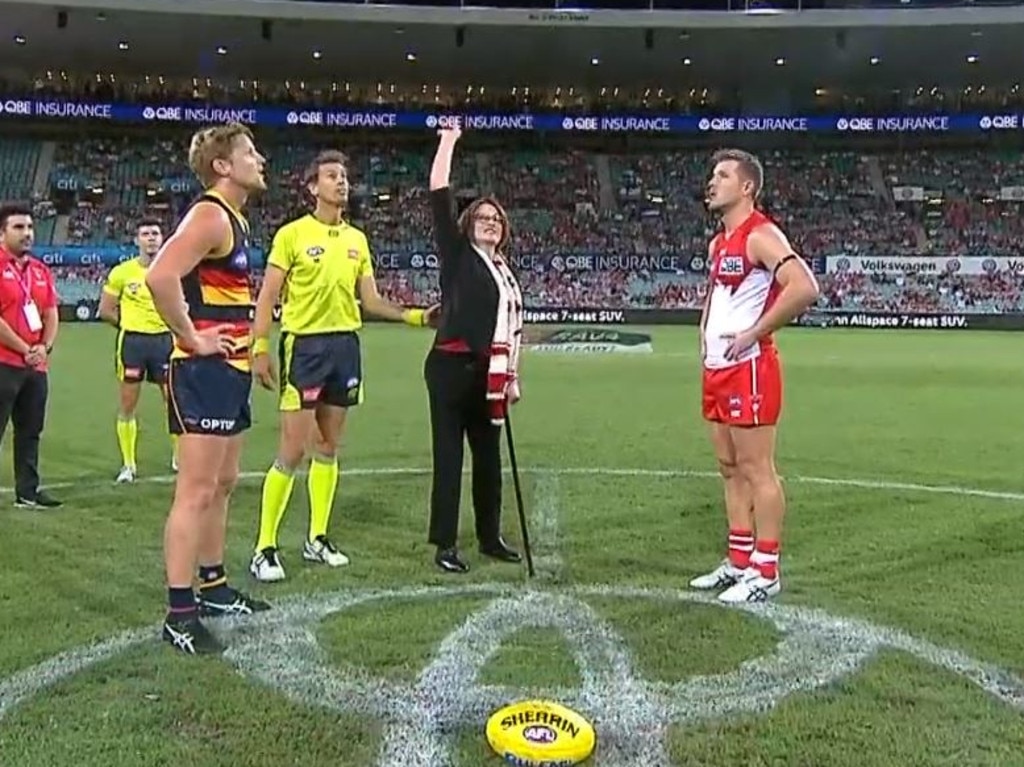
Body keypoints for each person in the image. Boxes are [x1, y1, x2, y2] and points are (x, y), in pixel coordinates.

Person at [249, 149, 438, 582]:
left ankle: (317, 539)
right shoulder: (292, 235)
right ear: (313, 187)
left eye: (345, 176)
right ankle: (264, 548)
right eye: (332, 176)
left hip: (345, 347)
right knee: (292, 450)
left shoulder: (357, 241)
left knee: (329, 447)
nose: (342, 182)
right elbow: (267, 296)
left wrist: (415, 316)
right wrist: (259, 346)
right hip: (305, 348)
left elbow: (369, 301)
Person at [145, 123, 270, 656]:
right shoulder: (210, 213)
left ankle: (214, 586)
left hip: (232, 370)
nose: (260, 159)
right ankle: (179, 613)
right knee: (195, 491)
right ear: (223, 166)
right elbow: (160, 276)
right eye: (249, 152)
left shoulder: (235, 219)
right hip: (203, 373)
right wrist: (191, 338)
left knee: (222, 483)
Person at [689, 147, 820, 604]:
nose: (712, 182)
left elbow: (805, 287)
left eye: (723, 175)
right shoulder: (718, 243)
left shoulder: (760, 235)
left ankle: (766, 568)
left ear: (747, 187)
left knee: (757, 469)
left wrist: (753, 334)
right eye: (712, 174)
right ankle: (739, 560)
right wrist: (704, 336)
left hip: (749, 368)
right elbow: (715, 298)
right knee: (729, 469)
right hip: (717, 369)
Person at [424, 121, 523, 574]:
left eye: (496, 220)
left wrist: (511, 378)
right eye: (483, 218)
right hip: (451, 369)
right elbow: (439, 192)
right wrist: (448, 141)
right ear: (468, 224)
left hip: (489, 374)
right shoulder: (457, 253)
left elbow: (509, 329)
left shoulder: (504, 271)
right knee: (449, 457)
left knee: (488, 458)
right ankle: (445, 543)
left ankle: (489, 536)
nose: (490, 223)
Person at [98, 220, 178, 482]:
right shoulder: (122, 272)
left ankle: (179, 458)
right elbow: (106, 310)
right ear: (137, 240)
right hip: (133, 343)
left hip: (165, 342)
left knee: (175, 403)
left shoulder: (174, 270)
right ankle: (128, 465)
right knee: (128, 405)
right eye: (145, 234)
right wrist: (129, 325)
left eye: (155, 233)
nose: (151, 238)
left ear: (163, 237)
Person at [0, 204, 61, 509]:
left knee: (30, 431)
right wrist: (26, 349)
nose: (27, 234)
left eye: (29, 227)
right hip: (4, 363)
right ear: (2, 233)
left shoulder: (40, 270)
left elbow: (51, 312)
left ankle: (28, 491)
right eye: (18, 228)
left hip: (35, 367)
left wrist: (44, 346)